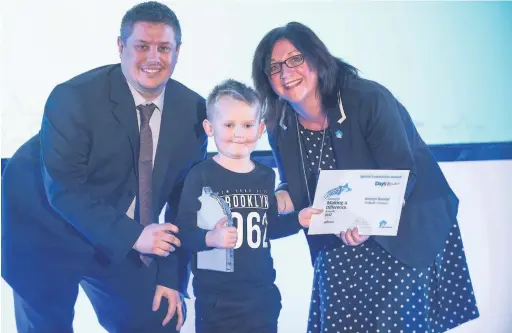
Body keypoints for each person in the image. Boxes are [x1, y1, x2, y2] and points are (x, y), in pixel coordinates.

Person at [251, 22, 479, 333]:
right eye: (274, 67)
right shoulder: (280, 125)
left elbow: (402, 173)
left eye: (295, 59)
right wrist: (262, 199)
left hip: (405, 225)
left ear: (316, 59)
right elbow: (298, 187)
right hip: (339, 237)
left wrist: (367, 221)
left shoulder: (367, 98)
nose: (285, 72)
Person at [1, 2, 207, 332]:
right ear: (121, 46)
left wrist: (170, 277)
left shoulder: (194, 111)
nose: (153, 58)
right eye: (142, 46)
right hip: (43, 227)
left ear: (178, 51)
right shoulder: (73, 98)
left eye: (164, 47)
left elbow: (184, 205)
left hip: (115, 232)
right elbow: (64, 190)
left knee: (157, 320)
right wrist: (135, 235)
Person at [169, 79, 320, 333]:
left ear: (260, 129)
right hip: (217, 302)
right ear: (209, 127)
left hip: (261, 298)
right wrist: (210, 238)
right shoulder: (200, 175)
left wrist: (298, 220)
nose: (239, 133)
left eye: (247, 125)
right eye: (229, 125)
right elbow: (183, 231)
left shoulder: (264, 176)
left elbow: (268, 227)